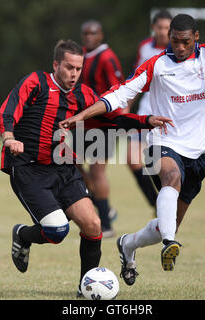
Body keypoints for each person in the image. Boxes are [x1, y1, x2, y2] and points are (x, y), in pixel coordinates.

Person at [59, 5, 205, 286]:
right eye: (174, 40)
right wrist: (82, 115)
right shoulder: (156, 64)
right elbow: (119, 93)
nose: (178, 46)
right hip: (161, 142)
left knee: (169, 222)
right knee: (170, 178)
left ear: (196, 37)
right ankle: (169, 243)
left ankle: (129, 244)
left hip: (201, 152)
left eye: (185, 41)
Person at [0, 39, 173, 296]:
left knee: (93, 224)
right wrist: (10, 138)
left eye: (78, 69)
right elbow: (9, 109)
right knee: (57, 231)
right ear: (56, 65)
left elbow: (110, 119)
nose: (74, 74)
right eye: (69, 67)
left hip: (63, 165)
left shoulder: (83, 95)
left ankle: (85, 289)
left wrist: (145, 120)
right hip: (28, 168)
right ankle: (23, 236)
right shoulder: (36, 82)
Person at [76, 19, 125, 238]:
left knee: (97, 170)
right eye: (85, 33)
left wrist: (123, 116)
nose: (88, 36)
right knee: (72, 164)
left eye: (92, 33)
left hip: (103, 124)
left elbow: (121, 88)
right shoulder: (82, 56)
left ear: (101, 35)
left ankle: (105, 224)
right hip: (81, 122)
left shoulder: (107, 57)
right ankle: (104, 205)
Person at [125, 10, 173, 215]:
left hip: (169, 115)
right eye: (160, 27)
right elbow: (137, 78)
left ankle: (168, 207)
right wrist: (127, 105)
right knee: (132, 159)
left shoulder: (180, 50)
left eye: (167, 28)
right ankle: (156, 204)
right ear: (153, 28)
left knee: (162, 165)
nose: (163, 32)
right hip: (145, 112)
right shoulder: (145, 48)